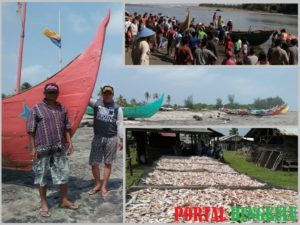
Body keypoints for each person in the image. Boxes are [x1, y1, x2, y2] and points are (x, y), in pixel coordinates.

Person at [27, 83, 78, 217]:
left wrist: (70, 143)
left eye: (54, 92)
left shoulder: (62, 108)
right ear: (44, 93)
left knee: (64, 175)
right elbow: (31, 131)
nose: (52, 95)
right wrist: (32, 148)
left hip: (59, 148)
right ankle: (44, 203)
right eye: (49, 92)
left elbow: (67, 128)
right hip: (42, 149)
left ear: (57, 93)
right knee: (41, 177)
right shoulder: (36, 109)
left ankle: (64, 200)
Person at [88, 85, 123, 197]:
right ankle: (97, 184)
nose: (107, 95)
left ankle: (104, 186)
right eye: (105, 93)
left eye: (109, 93)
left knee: (108, 163)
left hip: (111, 138)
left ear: (112, 95)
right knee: (94, 163)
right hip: (97, 137)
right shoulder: (96, 103)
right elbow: (84, 98)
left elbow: (120, 124)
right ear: (102, 94)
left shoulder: (118, 108)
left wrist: (120, 139)